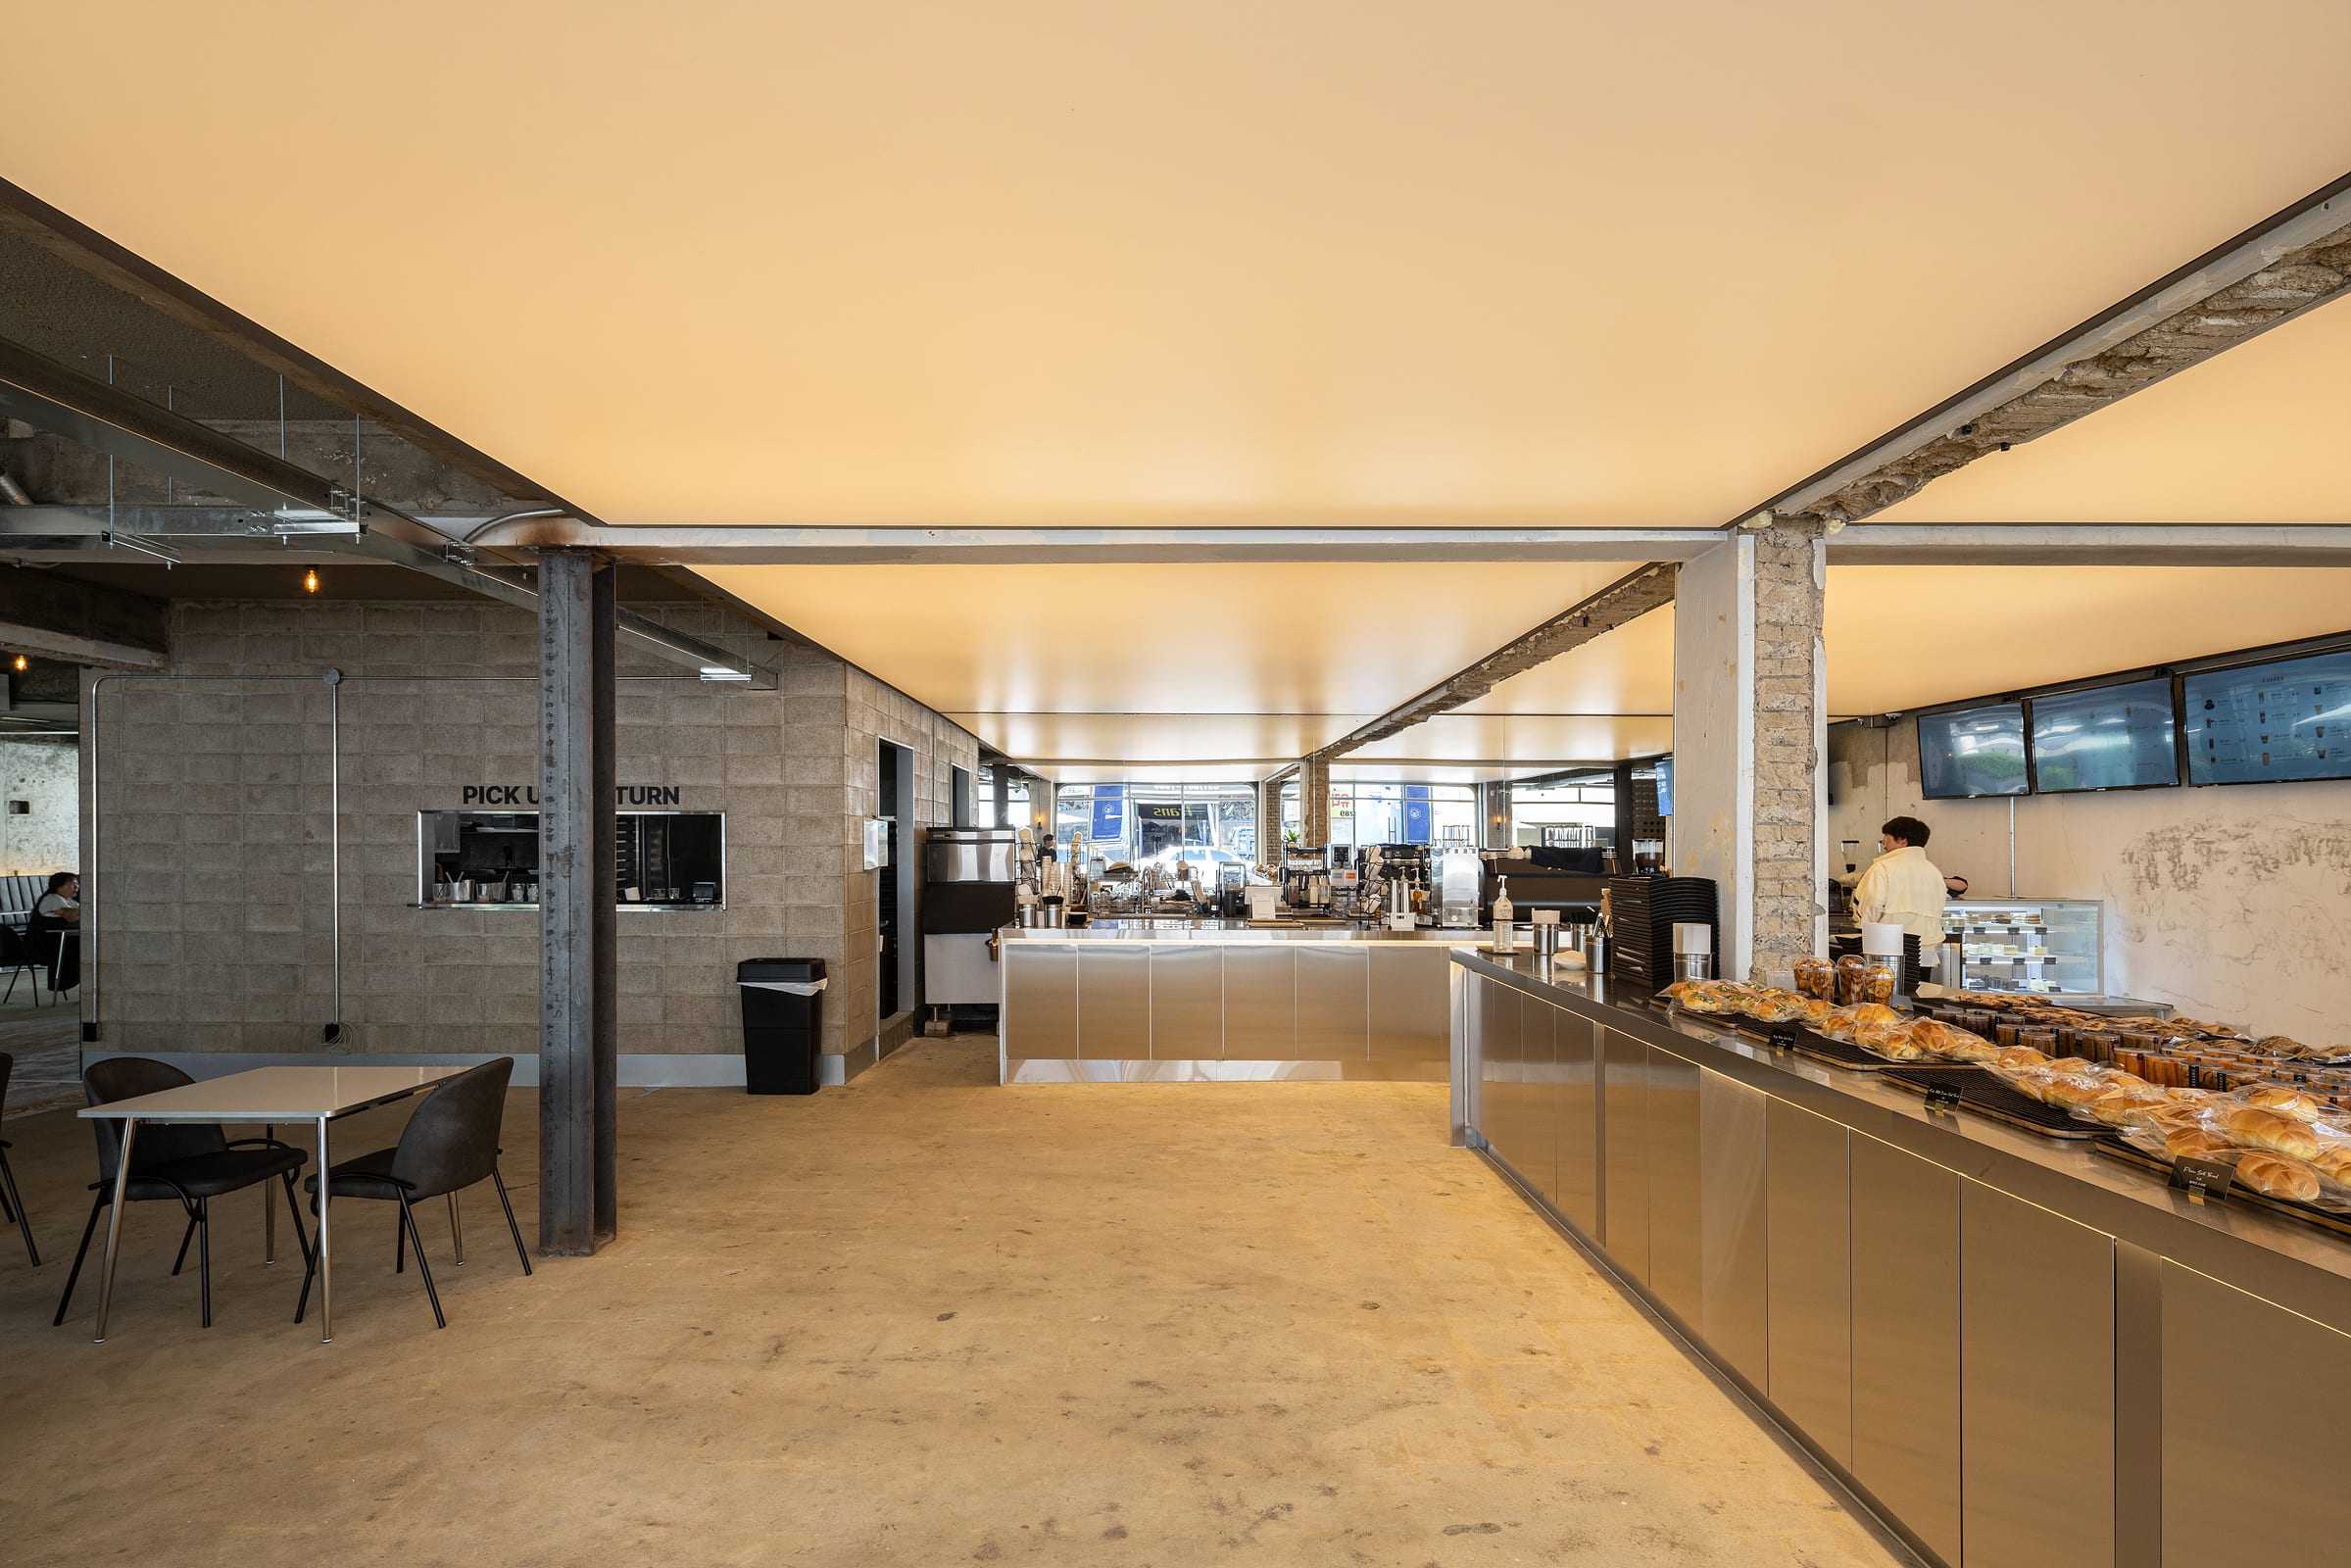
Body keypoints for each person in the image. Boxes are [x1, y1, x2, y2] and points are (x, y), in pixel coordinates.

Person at [1851, 817, 1949, 953]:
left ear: (1902, 840)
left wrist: (1863, 929)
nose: (1883, 841)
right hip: (1927, 950)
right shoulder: (1934, 871)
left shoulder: (1883, 867)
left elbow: (1872, 906)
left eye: (1887, 836)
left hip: (1887, 948)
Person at [29, 869, 80, 995]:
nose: (76, 887)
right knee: (83, 948)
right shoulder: (52, 898)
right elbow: (71, 916)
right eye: (71, 884)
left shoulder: (69, 901)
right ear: (58, 886)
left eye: (77, 884)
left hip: (57, 942)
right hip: (42, 946)